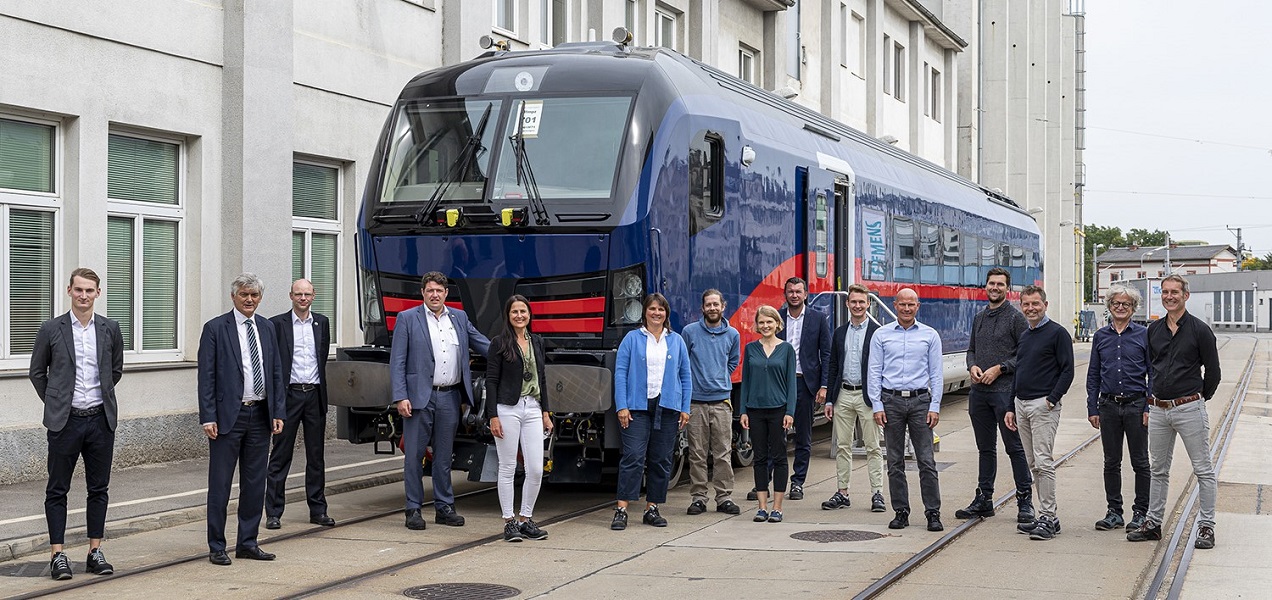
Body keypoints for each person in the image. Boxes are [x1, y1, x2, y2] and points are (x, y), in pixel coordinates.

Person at [29, 268, 124, 580]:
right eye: (79, 290)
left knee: (99, 488)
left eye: (90, 290)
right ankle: (58, 554)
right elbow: (37, 372)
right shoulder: (51, 329)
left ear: (98, 293)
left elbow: (116, 370)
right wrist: (57, 403)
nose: (84, 296)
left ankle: (95, 550)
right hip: (65, 422)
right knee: (58, 489)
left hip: (100, 420)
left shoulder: (110, 328)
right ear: (69, 290)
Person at [390, 271, 490, 531]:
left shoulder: (459, 317)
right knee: (414, 456)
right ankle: (413, 509)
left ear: (446, 293)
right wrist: (400, 396)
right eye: (430, 290)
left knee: (444, 456)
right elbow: (398, 361)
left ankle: (444, 507)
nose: (435, 294)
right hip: (418, 398)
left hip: (450, 396)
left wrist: (513, 351)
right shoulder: (407, 319)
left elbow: (481, 343)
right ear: (423, 293)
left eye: (439, 290)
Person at [198, 273, 286, 565]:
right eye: (244, 295)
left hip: (260, 415)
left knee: (254, 484)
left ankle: (248, 542)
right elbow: (206, 377)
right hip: (226, 418)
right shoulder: (215, 329)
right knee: (221, 485)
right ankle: (217, 545)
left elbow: (275, 372)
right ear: (233, 297)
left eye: (255, 295)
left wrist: (277, 411)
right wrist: (208, 416)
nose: (250, 300)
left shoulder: (266, 327)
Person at [1128, 274, 1221, 549]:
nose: (1169, 296)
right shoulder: (1153, 330)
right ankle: (1153, 524)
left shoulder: (1200, 330)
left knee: (1203, 469)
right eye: (1165, 292)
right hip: (1158, 410)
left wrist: (1198, 399)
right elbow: (1151, 370)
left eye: (1175, 292)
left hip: (1188, 407)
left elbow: (1213, 373)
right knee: (1158, 469)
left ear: (1185, 296)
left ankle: (1206, 526)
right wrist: (1151, 402)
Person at [956, 267, 1033, 523]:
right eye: (991, 284)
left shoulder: (1016, 318)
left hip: (1005, 394)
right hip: (979, 394)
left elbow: (1024, 356)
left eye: (1000, 284)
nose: (995, 288)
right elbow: (971, 350)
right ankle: (984, 499)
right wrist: (973, 366)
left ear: (1007, 289)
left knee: (1014, 448)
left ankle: (1025, 500)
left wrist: (1000, 369)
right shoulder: (979, 317)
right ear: (985, 286)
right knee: (985, 449)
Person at [611, 293, 693, 531]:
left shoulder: (676, 340)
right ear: (644, 312)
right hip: (637, 408)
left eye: (661, 309)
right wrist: (622, 406)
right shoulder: (632, 339)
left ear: (666, 313)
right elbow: (620, 373)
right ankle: (622, 509)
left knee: (661, 459)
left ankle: (652, 508)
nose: (656, 313)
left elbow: (685, 376)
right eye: (652, 309)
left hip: (667, 407)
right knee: (633, 456)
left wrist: (684, 407)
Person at [867, 288, 944, 532]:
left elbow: (936, 374)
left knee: (926, 460)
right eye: (903, 305)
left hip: (921, 401)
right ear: (895, 305)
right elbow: (874, 371)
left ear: (918, 306)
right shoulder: (881, 335)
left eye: (911, 305)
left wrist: (935, 406)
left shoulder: (930, 335)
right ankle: (901, 511)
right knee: (894, 461)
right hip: (891, 402)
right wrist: (877, 404)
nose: (907, 309)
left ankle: (933, 512)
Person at [1005, 285, 1074, 541]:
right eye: (1026, 304)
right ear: (1021, 306)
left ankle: (1048, 516)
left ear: (1045, 304)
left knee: (1044, 461)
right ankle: (1046, 517)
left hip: (1043, 405)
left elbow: (1068, 370)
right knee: (1033, 462)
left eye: (1036, 304)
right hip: (1021, 405)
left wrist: (1052, 399)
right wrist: (1011, 406)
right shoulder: (1025, 336)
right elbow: (1018, 371)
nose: (1031, 309)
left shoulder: (1058, 334)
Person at [264, 279, 334, 530]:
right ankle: (273, 512)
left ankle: (318, 510)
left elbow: (322, 356)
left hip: (314, 395)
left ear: (313, 296)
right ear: (290, 296)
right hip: (289, 396)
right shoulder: (277, 324)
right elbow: (272, 364)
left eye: (307, 294)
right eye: (298, 294)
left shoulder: (322, 322)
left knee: (316, 457)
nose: (303, 298)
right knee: (280, 455)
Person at [485, 295, 553, 542]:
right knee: (508, 467)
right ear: (508, 315)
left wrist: (546, 413)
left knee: (535, 468)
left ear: (529, 314)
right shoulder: (499, 343)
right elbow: (491, 381)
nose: (519, 316)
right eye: (515, 312)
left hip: (533, 407)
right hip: (507, 408)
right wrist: (493, 415)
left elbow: (542, 378)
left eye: (523, 311)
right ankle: (509, 522)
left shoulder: (537, 342)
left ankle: (525, 519)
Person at [1086, 285, 1150, 532]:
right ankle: (1114, 512)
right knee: (1111, 461)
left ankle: (1141, 513)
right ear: (1109, 306)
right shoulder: (1101, 336)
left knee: (1140, 462)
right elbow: (1093, 374)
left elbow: (1152, 373)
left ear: (1133, 308)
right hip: (1109, 406)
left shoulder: (1144, 335)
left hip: (1136, 405)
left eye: (1126, 304)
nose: (1120, 307)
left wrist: (1149, 405)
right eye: (1116, 304)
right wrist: (1092, 407)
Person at [822, 284, 884, 513]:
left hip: (867, 397)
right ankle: (842, 492)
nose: (858, 306)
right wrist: (830, 399)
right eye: (854, 302)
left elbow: (882, 368)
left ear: (868, 304)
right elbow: (833, 365)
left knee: (873, 447)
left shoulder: (878, 332)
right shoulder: (839, 332)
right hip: (844, 395)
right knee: (842, 446)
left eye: (862, 302)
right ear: (847, 304)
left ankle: (877, 493)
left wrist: (880, 401)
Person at [681, 289, 742, 516]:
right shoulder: (689, 332)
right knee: (696, 453)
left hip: (721, 402)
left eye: (716, 304)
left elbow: (733, 361)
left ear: (723, 306)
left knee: (723, 452)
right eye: (708, 305)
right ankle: (698, 498)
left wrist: (719, 378)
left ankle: (724, 497)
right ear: (702, 308)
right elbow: (683, 362)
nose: (713, 308)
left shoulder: (732, 334)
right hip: (696, 402)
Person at [738, 305, 796, 523]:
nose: (765, 326)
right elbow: (746, 382)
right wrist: (743, 410)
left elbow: (791, 384)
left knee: (780, 457)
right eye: (761, 322)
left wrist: (790, 411)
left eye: (769, 322)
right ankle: (762, 507)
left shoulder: (787, 349)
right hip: (755, 410)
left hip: (778, 410)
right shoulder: (751, 349)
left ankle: (778, 507)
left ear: (777, 324)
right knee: (760, 458)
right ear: (757, 324)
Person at [776, 277, 831, 501]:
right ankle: (769, 480)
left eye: (799, 291)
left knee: (803, 437)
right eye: (791, 291)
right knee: (775, 436)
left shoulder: (818, 319)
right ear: (785, 294)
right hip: (779, 384)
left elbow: (826, 354)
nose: (795, 295)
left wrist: (824, 386)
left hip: (805, 384)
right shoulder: (776, 318)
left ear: (806, 294)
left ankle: (797, 482)